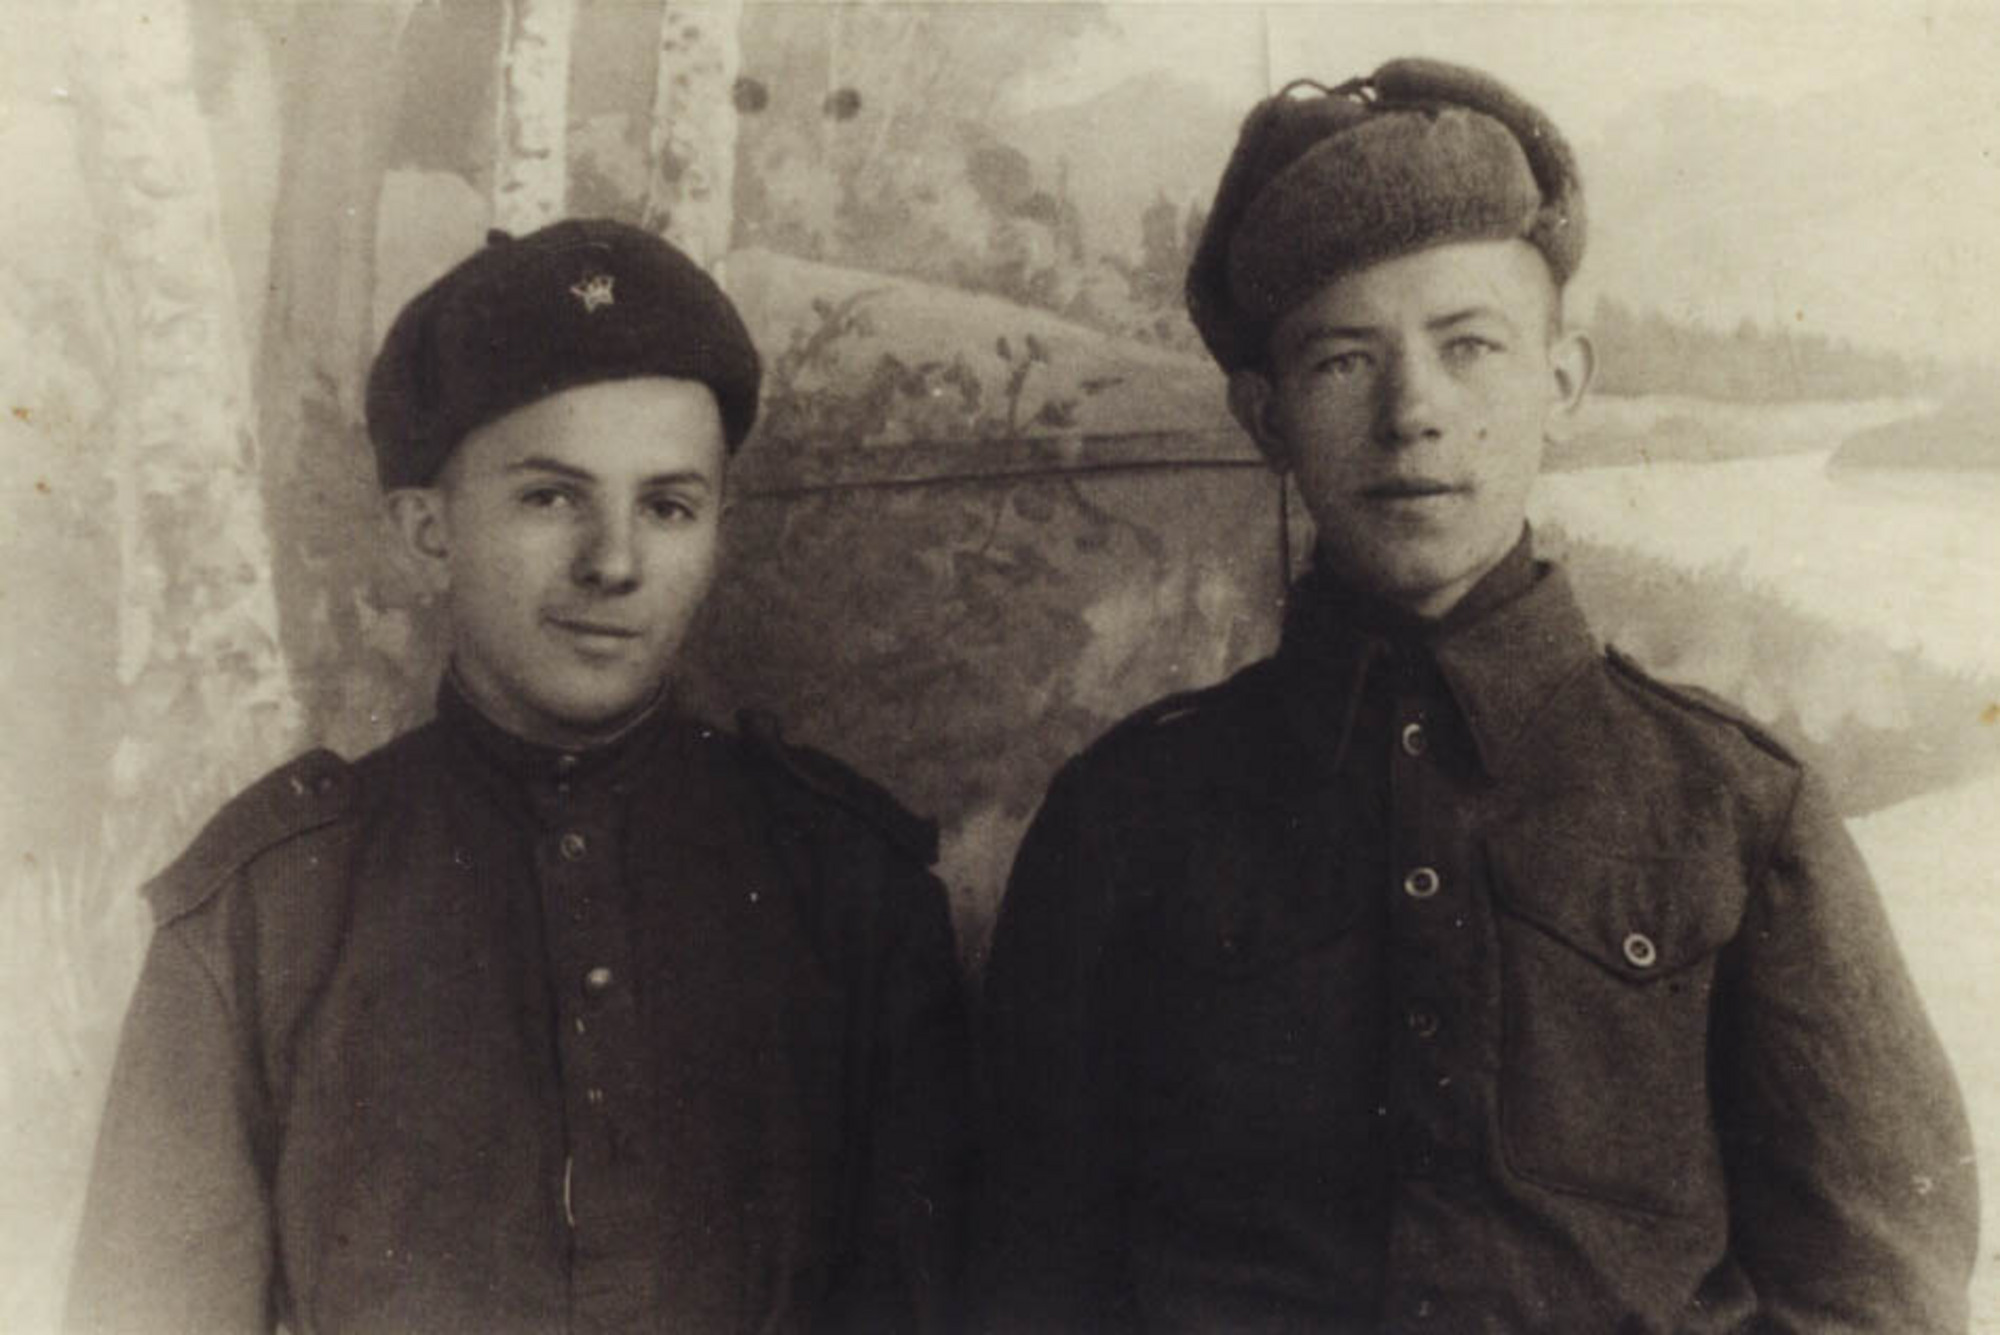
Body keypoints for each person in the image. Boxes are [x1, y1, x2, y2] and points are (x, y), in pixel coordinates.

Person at [972, 58, 1977, 1333]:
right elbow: (1022, 1277)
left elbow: (1876, 1292)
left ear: (1560, 385)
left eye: (1469, 347)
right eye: (1343, 361)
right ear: (1263, 416)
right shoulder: (1127, 816)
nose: (1413, 415)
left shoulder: (1732, 809)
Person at [68, 219, 967, 1334]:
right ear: (426, 531)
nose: (615, 561)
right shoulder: (266, 912)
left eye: (668, 506)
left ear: (716, 533)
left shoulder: (849, 890)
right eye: (551, 497)